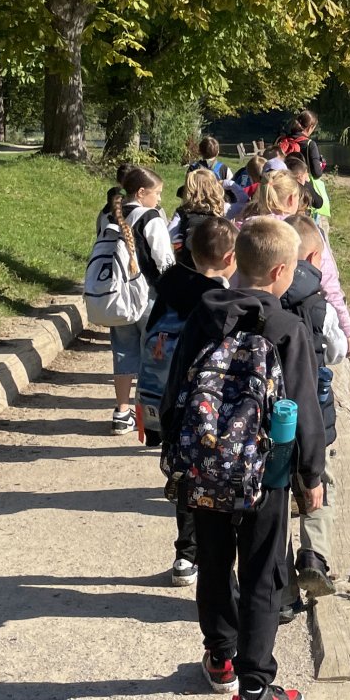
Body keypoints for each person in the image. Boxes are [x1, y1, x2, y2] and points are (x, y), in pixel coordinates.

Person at [160, 216, 323, 700]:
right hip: (265, 475)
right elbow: (303, 409)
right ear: (279, 272)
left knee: (213, 562)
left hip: (206, 468)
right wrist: (311, 475)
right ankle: (255, 692)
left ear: (236, 263)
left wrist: (177, 456)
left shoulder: (203, 316)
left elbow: (176, 393)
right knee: (261, 572)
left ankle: (219, 659)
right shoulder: (287, 328)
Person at [141, 216, 236, 583]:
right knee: (212, 476)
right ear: (230, 258)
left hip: (170, 398)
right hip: (209, 404)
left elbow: (150, 338)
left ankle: (185, 556)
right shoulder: (220, 300)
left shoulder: (169, 289)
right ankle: (215, 556)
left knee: (183, 477)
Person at [282, 215, 345, 602]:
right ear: (312, 257)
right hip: (315, 415)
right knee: (319, 482)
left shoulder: (265, 297)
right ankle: (314, 556)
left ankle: (282, 583)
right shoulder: (320, 304)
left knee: (276, 491)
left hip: (274, 416)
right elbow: (336, 350)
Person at [97, 165, 173, 434]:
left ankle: (122, 412)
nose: (159, 199)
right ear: (141, 192)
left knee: (123, 351)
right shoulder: (151, 218)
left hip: (118, 295)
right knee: (154, 355)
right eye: (157, 193)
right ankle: (149, 414)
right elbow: (164, 260)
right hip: (148, 295)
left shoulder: (108, 214)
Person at [246, 171, 350, 356]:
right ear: (292, 199)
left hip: (254, 316)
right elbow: (330, 284)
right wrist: (348, 331)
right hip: (299, 325)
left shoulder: (249, 227)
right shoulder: (304, 230)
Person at [168, 168, 227, 263]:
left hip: (187, 262)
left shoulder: (182, 211)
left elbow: (170, 234)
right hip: (213, 262)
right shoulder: (221, 210)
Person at [283, 150, 332, 224]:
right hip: (299, 222)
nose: (307, 175)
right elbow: (318, 203)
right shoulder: (304, 188)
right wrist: (308, 183)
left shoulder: (282, 185)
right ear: (300, 176)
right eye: (305, 173)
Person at [275, 109, 325, 179]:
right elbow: (317, 174)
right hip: (301, 183)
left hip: (283, 181)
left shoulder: (282, 140)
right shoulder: (310, 144)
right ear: (310, 127)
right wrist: (321, 165)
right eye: (314, 128)